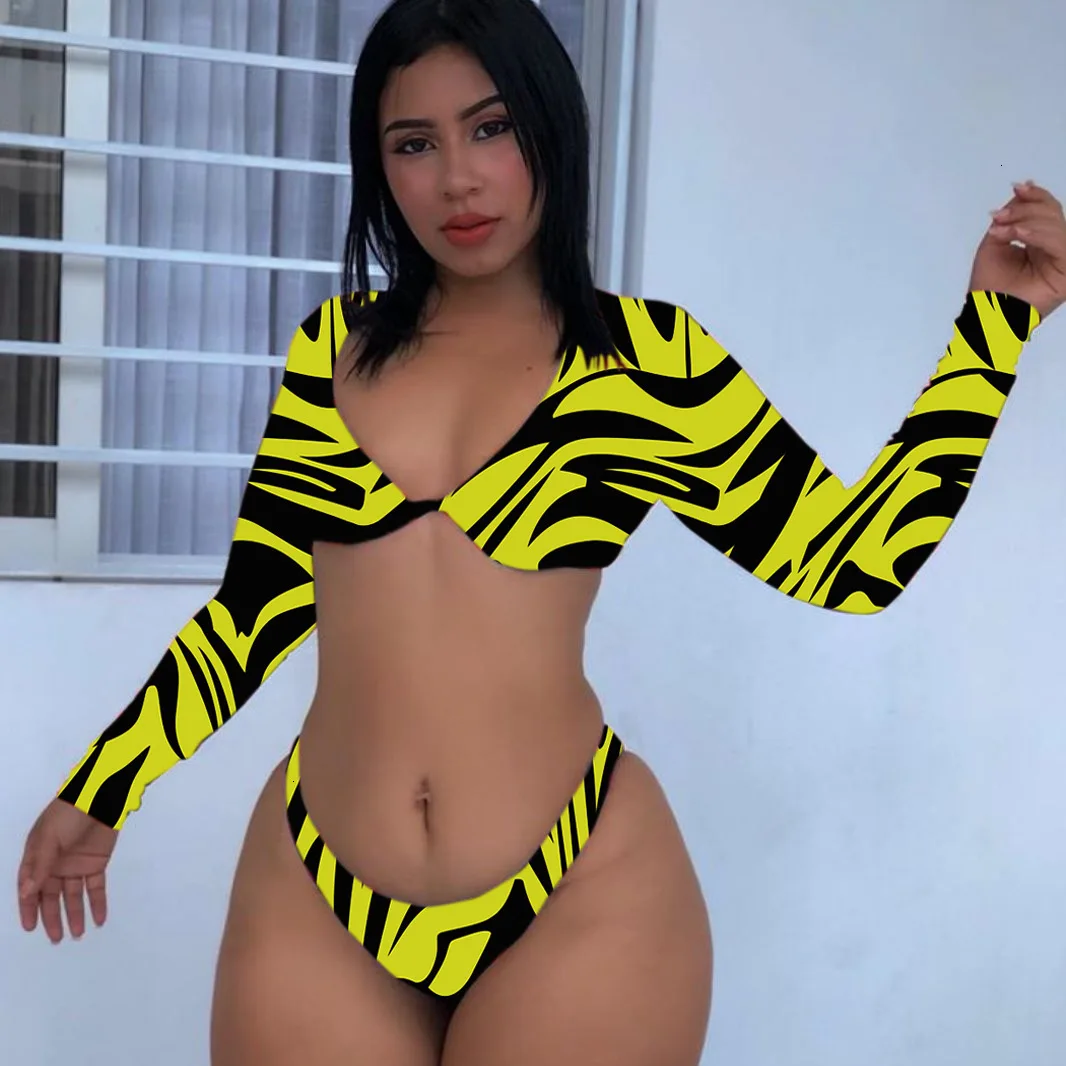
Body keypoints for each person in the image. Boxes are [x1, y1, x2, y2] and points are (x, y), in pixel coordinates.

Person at [15, 0, 1066, 1063]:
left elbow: (858, 561)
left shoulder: (646, 365)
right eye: (414, 144)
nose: (457, 179)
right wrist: (103, 789)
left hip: (580, 893)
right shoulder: (329, 351)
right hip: (317, 889)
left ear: (551, 128)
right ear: (379, 167)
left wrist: (993, 329)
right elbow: (256, 613)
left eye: (492, 128)